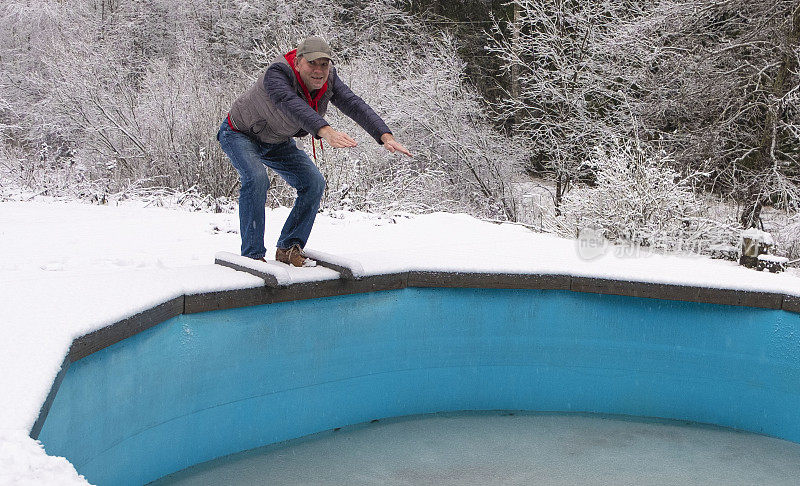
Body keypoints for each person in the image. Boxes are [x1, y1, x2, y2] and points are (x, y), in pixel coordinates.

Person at [217, 35, 411, 267]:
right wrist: (326, 132)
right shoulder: (277, 74)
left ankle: (289, 247)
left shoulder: (329, 80)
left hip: (277, 141)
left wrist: (384, 135)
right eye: (312, 64)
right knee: (256, 179)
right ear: (298, 63)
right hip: (240, 133)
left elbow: (353, 103)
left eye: (324, 64)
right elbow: (291, 103)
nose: (319, 71)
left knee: (313, 183)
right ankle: (252, 255)